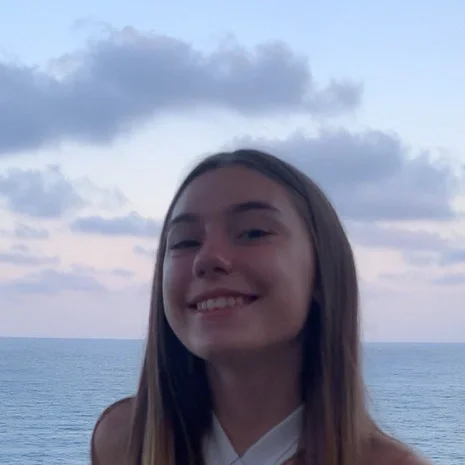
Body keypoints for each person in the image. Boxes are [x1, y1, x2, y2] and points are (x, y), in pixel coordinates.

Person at [90, 149, 431, 465]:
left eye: (253, 233)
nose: (207, 259)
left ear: (322, 271)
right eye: (185, 241)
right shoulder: (123, 440)